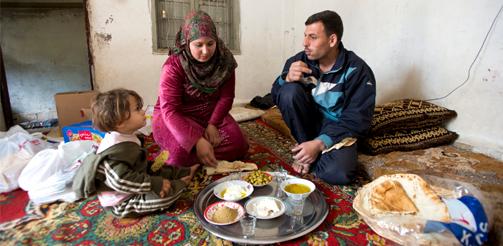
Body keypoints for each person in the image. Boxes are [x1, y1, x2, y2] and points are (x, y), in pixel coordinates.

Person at [271, 10, 376, 185]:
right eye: (305, 36)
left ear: (332, 40)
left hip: (338, 128)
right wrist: (285, 79)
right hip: (308, 122)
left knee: (338, 173)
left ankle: (310, 154)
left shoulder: (358, 71)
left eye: (312, 37)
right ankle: (306, 149)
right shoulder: (298, 61)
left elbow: (357, 121)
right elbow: (276, 97)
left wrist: (320, 144)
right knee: (289, 92)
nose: (305, 43)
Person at [73, 89, 199, 218]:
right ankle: (182, 183)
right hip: (123, 201)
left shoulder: (126, 136)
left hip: (135, 179)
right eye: (137, 109)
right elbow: (120, 181)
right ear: (120, 122)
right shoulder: (116, 150)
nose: (143, 111)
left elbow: (140, 165)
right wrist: (155, 184)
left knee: (156, 168)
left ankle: (184, 172)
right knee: (164, 197)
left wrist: (157, 178)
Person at [152, 11, 248, 168]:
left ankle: (194, 159)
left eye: (210, 44)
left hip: (209, 114)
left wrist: (213, 124)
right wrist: (196, 140)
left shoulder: (225, 61)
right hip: (176, 117)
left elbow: (227, 97)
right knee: (179, 153)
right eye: (198, 45)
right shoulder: (173, 66)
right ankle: (192, 156)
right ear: (187, 42)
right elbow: (170, 110)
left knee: (238, 144)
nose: (205, 51)